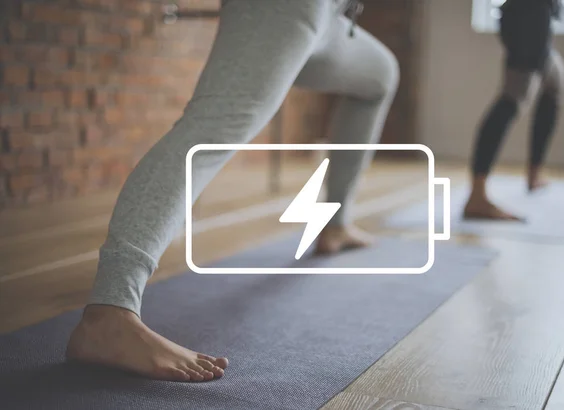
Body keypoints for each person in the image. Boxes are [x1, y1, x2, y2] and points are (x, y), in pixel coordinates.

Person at [65, 0, 399, 382]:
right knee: (210, 131)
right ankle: (109, 311)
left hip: (330, 20)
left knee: (380, 74)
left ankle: (335, 224)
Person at [464, 0, 564, 220]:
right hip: (526, 19)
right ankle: (477, 195)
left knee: (555, 82)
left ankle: (534, 173)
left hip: (538, 17)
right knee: (511, 101)